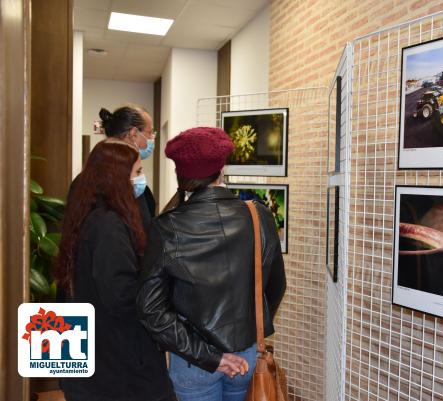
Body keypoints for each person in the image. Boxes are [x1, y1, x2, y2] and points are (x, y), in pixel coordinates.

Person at [137, 127, 287, 401]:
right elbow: (276, 287)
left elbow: (151, 310)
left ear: (179, 175)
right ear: (222, 168)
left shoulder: (167, 226)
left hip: (193, 359)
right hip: (247, 355)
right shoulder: (258, 216)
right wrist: (248, 333)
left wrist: (210, 356)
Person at [55, 141, 175, 401]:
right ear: (118, 178)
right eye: (137, 172)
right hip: (116, 362)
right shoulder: (109, 225)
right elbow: (120, 293)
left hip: (96, 358)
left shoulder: (87, 212)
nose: (140, 180)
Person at [70, 104, 157, 232]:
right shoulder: (118, 183)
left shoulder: (84, 179)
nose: (151, 139)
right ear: (133, 134)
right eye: (149, 133)